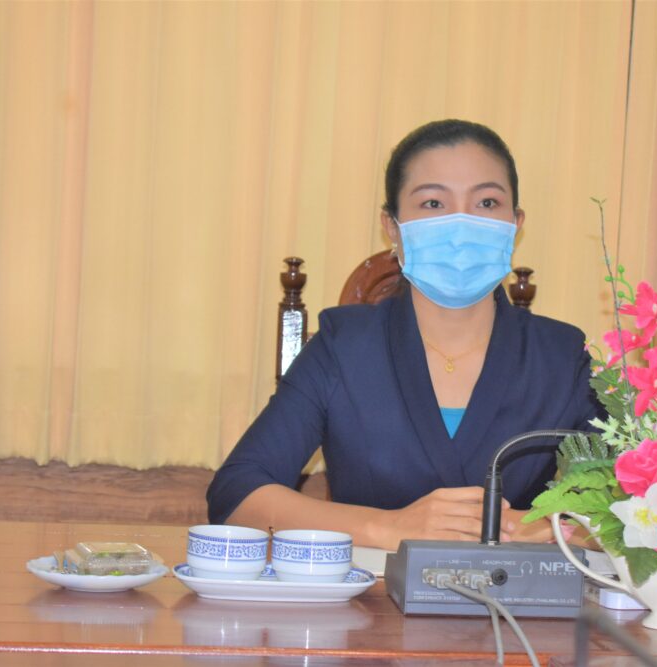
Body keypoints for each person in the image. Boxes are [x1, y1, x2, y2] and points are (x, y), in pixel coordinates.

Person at [207, 119, 602, 551]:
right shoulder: (345, 345)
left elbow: (632, 504)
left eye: (487, 202)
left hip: (514, 592)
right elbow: (237, 493)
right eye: (433, 203)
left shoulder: (561, 355)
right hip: (373, 591)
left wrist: (544, 527)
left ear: (515, 223)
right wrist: (388, 527)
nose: (461, 225)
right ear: (393, 227)